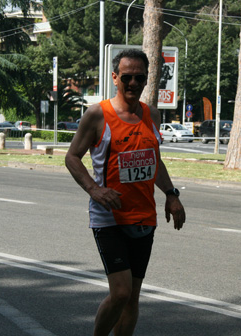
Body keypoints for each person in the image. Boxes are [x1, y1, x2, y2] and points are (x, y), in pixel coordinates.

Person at [65, 49, 186, 336]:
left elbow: (152, 161)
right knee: (120, 292)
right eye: (127, 77)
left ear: (146, 80)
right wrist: (94, 190)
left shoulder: (151, 115)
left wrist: (171, 194)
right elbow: (72, 157)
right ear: (115, 77)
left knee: (132, 298)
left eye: (139, 78)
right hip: (110, 218)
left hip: (144, 216)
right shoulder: (97, 114)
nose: (132, 83)